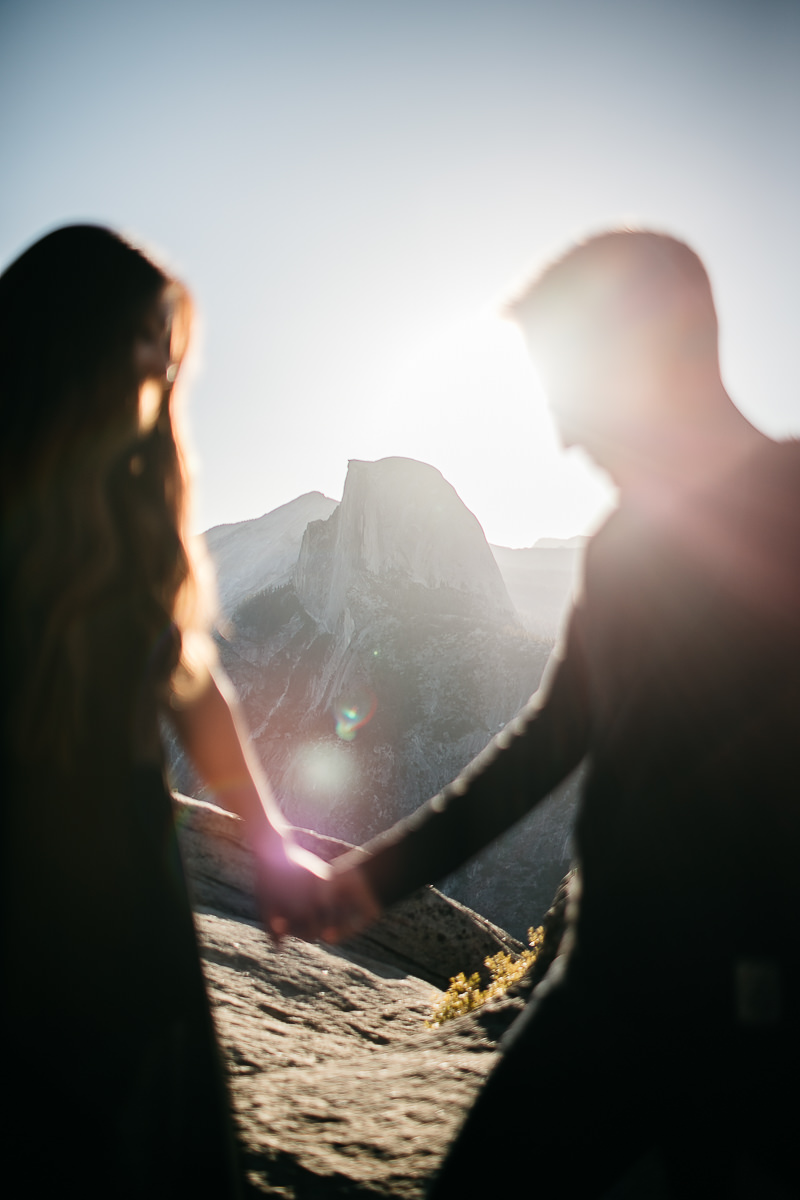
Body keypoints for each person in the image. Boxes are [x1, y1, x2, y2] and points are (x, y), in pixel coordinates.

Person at [328, 230, 800, 1194]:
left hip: (755, 1016)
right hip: (604, 986)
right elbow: (546, 744)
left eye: (572, 392)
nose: (563, 436)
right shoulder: (624, 546)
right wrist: (367, 884)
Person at [0, 225, 338, 1196]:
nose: (162, 362)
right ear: (71, 335)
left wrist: (272, 846)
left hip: (127, 886)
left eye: (167, 340)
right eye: (144, 334)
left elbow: (191, 682)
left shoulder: (138, 496)